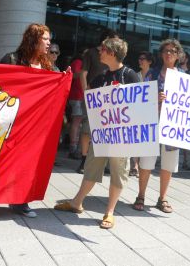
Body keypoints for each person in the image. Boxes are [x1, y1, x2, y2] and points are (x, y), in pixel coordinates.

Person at [54, 36, 139, 229]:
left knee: (118, 173)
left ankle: (109, 212)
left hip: (121, 137)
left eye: (102, 49)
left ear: (111, 52)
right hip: (101, 135)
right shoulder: (101, 77)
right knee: (91, 168)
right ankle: (77, 203)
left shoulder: (131, 75)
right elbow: (90, 100)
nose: (99, 52)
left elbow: (140, 106)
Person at [0, 23, 52, 225]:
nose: (49, 43)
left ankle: (20, 203)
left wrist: (66, 76)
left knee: (24, 165)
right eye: (45, 39)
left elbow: (57, 86)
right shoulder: (12, 59)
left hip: (32, 127)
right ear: (34, 39)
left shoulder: (47, 65)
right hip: (8, 122)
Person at [132, 39, 183, 213]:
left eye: (173, 51)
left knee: (168, 164)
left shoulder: (184, 77)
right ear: (161, 54)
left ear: (178, 55)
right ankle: (141, 195)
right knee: (146, 162)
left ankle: (163, 198)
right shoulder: (151, 74)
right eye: (166, 51)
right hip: (152, 123)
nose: (169, 54)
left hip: (173, 126)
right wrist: (155, 99)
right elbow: (142, 98)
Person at [75, 29, 118, 172]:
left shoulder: (114, 55)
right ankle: (84, 160)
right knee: (87, 129)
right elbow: (83, 73)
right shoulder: (92, 53)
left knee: (105, 130)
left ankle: (102, 162)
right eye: (114, 40)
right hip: (92, 96)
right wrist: (86, 93)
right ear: (106, 39)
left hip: (108, 98)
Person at [129, 51, 154, 177]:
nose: (140, 61)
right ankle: (134, 165)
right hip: (136, 110)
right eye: (139, 58)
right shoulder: (135, 75)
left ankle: (142, 166)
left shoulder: (154, 75)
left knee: (144, 139)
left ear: (149, 61)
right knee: (135, 138)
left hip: (150, 112)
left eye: (143, 59)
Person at [67, 50, 85, 159]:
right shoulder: (78, 62)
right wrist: (86, 71)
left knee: (78, 122)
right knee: (76, 122)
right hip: (77, 96)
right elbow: (75, 75)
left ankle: (75, 147)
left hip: (79, 96)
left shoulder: (79, 62)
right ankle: (73, 147)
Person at [178, 51, 190, 171]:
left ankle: (185, 160)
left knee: (184, 134)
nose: (180, 57)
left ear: (186, 59)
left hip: (185, 107)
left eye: (183, 56)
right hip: (174, 106)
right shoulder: (174, 71)